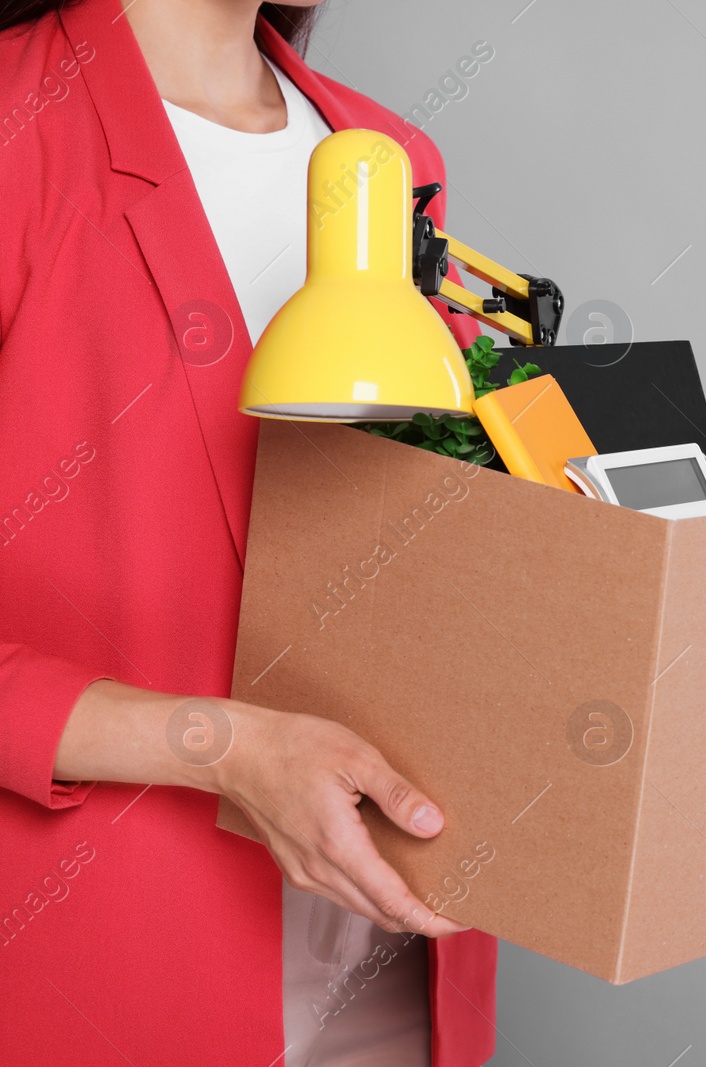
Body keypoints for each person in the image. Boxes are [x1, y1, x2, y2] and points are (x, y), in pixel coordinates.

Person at [0, 1, 498, 1063]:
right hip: (108, 960)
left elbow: (425, 530)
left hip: (395, 942)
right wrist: (223, 749)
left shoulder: (393, 158)